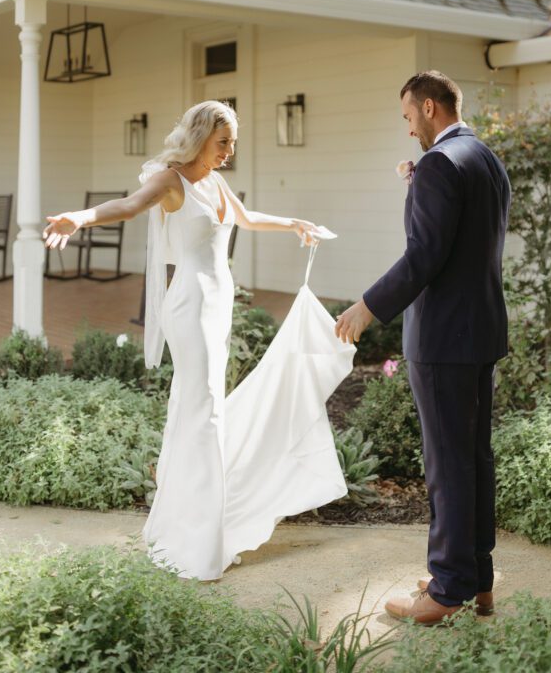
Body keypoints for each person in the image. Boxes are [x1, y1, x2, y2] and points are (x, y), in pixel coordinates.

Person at [44, 99, 354, 581]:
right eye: (223, 141)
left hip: (218, 302)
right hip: (189, 305)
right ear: (201, 137)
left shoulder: (214, 180)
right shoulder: (172, 179)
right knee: (204, 409)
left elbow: (245, 218)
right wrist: (79, 219)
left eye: (233, 142)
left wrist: (294, 223)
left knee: (198, 407)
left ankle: (186, 514)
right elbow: (127, 206)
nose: (230, 150)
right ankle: (200, 538)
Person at [335, 71, 510, 626]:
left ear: (430, 107)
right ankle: (475, 578)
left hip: (443, 339)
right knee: (472, 457)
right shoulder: (484, 156)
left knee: (446, 464)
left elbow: (424, 256)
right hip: (480, 331)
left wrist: (367, 306)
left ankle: (447, 589)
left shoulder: (440, 163)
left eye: (410, 118)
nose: (410, 132)